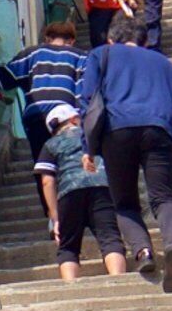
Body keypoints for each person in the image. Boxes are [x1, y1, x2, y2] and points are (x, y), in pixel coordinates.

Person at [88, 17, 172, 290]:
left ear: (111, 39)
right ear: (145, 41)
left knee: (125, 203)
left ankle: (143, 252)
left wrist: (87, 147)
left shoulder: (101, 55)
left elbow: (88, 100)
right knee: (164, 198)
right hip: (160, 130)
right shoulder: (165, 64)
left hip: (117, 131)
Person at [0, 16, 92, 233]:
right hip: (67, 118)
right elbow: (84, 91)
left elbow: (3, 76)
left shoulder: (32, 54)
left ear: (47, 38)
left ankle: (53, 217)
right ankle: (80, 212)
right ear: (71, 40)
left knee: (44, 165)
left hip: (37, 119)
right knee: (73, 161)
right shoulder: (80, 56)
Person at [38, 102, 131, 280]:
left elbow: (47, 181)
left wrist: (55, 217)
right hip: (101, 187)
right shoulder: (93, 137)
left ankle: (71, 286)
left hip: (69, 192)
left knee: (68, 246)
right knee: (110, 237)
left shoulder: (50, 145)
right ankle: (119, 279)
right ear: (74, 120)